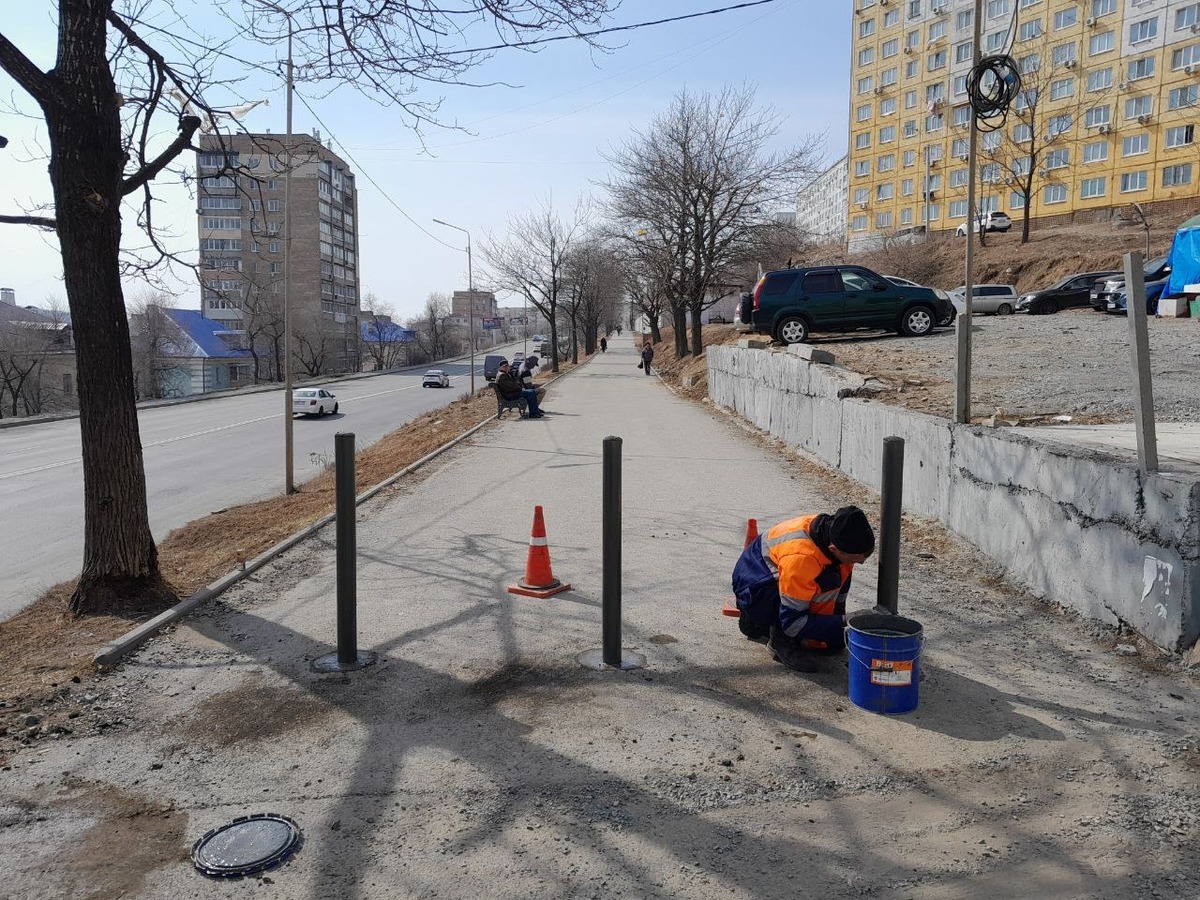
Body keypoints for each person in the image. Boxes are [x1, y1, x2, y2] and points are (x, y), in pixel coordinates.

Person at [731, 506, 875, 673]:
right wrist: (847, 619)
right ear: (833, 550)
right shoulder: (802, 559)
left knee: (835, 644)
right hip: (755, 586)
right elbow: (794, 623)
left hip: (775, 571)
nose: (859, 563)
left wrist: (838, 627)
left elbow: (838, 596)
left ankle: (756, 623)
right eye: (855, 560)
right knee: (785, 616)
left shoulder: (837, 536)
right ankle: (779, 641)